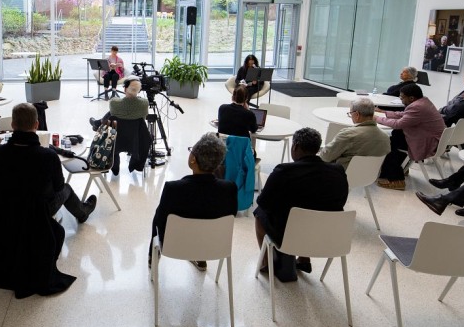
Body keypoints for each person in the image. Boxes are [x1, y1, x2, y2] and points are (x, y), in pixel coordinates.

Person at [0, 103, 95, 297]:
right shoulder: (48, 156)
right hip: (35, 212)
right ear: (36, 123)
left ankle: (82, 211)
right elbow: (58, 187)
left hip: (2, 210)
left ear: (13, 125)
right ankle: (82, 213)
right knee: (66, 188)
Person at [254, 128, 348, 282]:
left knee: (259, 213)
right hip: (330, 237)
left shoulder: (283, 171)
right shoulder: (338, 171)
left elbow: (263, 202)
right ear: (318, 148)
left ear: (295, 146)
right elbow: (340, 202)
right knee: (313, 213)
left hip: (290, 236)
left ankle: (266, 263)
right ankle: (304, 259)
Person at [150, 134, 237, 271]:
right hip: (215, 247)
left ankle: (152, 258)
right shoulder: (229, 189)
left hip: (175, 247)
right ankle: (201, 258)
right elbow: (231, 215)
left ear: (193, 160)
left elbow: (161, 222)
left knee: (158, 213)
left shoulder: (173, 189)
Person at [374, 83, 445, 190]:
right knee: (396, 136)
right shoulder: (423, 101)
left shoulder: (417, 107)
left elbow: (398, 124)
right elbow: (404, 114)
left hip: (428, 142)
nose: (400, 99)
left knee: (389, 144)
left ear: (411, 98)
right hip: (429, 137)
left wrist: (375, 118)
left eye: (402, 97)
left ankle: (395, 179)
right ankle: (401, 167)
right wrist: (384, 112)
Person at [319, 97, 390, 169]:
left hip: (342, 176)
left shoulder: (348, 134)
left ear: (357, 115)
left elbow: (325, 156)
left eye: (350, 113)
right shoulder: (385, 137)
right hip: (370, 177)